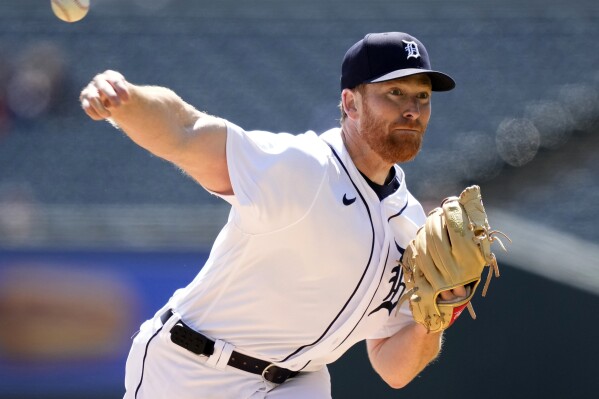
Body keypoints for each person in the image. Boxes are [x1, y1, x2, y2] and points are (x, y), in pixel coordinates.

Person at [80, 31, 467, 399]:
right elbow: (187, 129)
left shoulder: (412, 225)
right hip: (193, 369)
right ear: (351, 104)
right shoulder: (303, 169)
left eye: (422, 96)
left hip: (297, 383)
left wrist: (437, 316)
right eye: (394, 93)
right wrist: (126, 101)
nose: (412, 110)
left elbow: (393, 368)